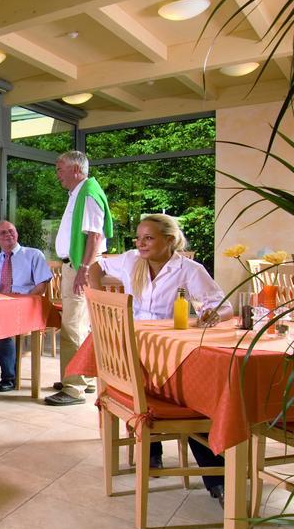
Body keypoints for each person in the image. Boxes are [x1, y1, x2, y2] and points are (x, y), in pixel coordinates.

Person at [89, 213, 233, 505]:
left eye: (148, 238)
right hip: (131, 350)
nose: (140, 243)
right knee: (191, 402)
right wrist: (98, 295)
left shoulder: (189, 269)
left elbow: (223, 306)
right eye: (139, 238)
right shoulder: (131, 260)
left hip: (166, 348)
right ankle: (212, 477)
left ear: (169, 240)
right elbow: (96, 265)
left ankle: (206, 473)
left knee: (192, 394)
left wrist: (213, 314)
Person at [46, 150, 113, 406]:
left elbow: (95, 236)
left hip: (79, 267)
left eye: (60, 169)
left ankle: (72, 387)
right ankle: (81, 376)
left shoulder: (87, 194)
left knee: (72, 325)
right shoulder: (79, 193)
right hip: (76, 265)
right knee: (80, 325)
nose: (57, 174)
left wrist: (83, 268)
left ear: (76, 170)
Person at [0, 220, 51, 392]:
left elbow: (42, 285)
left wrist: (22, 302)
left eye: (11, 231)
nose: (8, 235)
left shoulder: (34, 255)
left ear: (17, 233)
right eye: (3, 233)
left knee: (0, 326)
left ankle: (9, 377)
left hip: (24, 306)